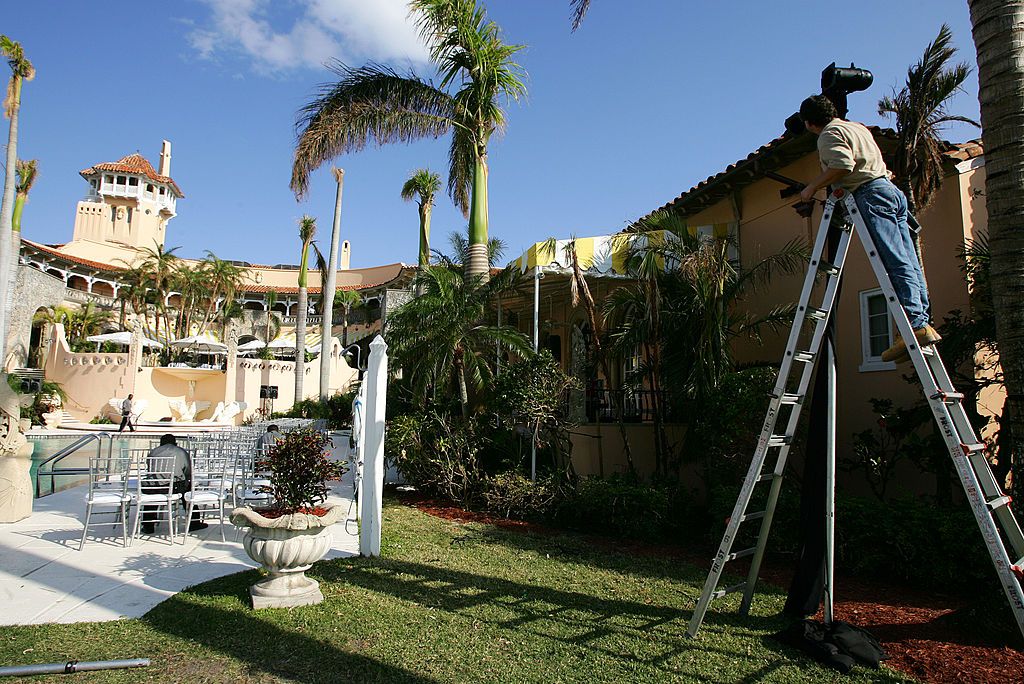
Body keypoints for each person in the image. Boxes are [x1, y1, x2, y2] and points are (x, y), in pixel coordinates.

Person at [798, 95, 939, 363]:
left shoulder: (828, 135)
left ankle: (915, 326)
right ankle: (922, 321)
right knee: (908, 260)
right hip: (890, 192)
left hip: (871, 195)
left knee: (895, 261)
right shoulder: (857, 128)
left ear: (809, 123)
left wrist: (812, 186)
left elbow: (843, 165)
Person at [140, 434, 206, 534]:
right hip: (174, 486)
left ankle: (148, 525)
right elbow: (188, 471)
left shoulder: (153, 452)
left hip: (153, 486)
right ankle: (194, 522)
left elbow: (150, 469)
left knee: (152, 497)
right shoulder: (181, 452)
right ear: (175, 443)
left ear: (161, 443)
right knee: (188, 492)